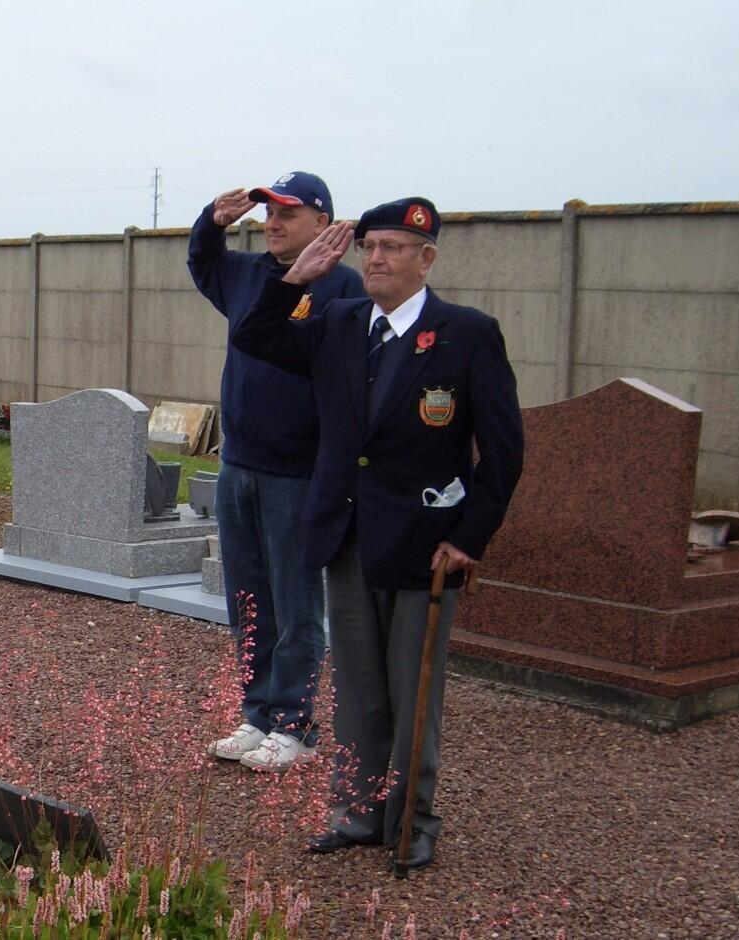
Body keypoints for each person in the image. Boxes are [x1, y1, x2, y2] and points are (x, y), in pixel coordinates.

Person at [231, 197, 524, 867]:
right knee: (359, 688)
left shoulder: (467, 333)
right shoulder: (338, 321)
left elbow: (503, 450)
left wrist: (471, 538)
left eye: (393, 247)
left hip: (427, 546)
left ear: (427, 259)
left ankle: (412, 821)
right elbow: (255, 337)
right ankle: (358, 811)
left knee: (413, 694)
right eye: (369, 247)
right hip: (348, 535)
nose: (377, 258)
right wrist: (296, 277)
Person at [187, 171, 365, 771]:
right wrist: (210, 221)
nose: (273, 222)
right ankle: (257, 712)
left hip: (296, 471)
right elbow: (203, 260)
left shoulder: (343, 290)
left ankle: (296, 724)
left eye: (288, 213)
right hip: (238, 463)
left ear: (323, 222)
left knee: (294, 606)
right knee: (248, 601)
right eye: (268, 211)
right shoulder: (244, 274)